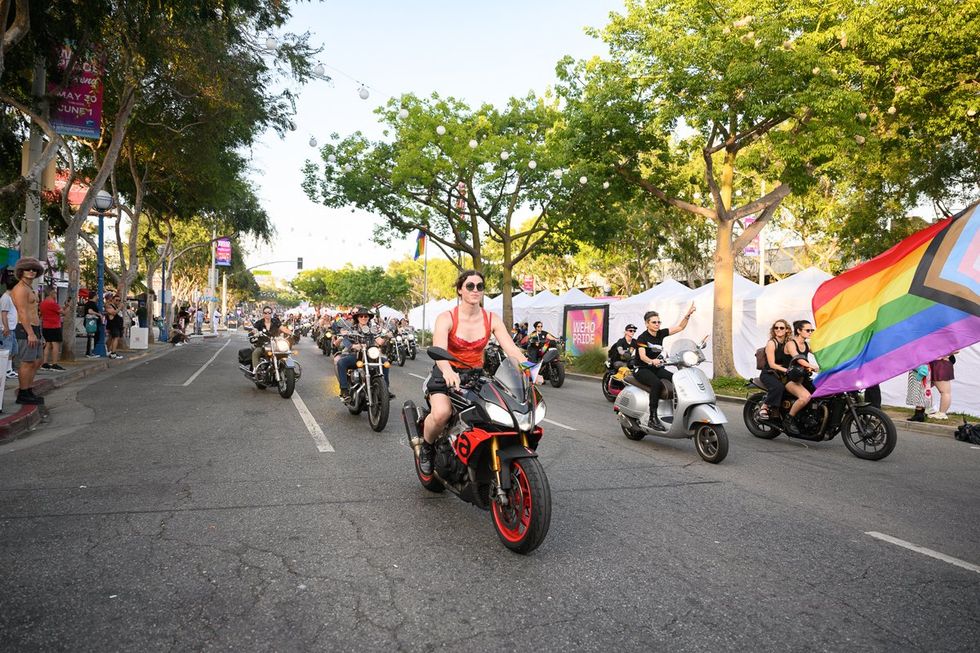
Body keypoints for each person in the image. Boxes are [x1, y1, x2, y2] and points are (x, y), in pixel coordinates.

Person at [418, 270, 528, 474]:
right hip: (447, 372)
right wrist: (448, 370)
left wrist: (530, 370)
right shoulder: (447, 317)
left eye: (480, 286)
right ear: (460, 290)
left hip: (476, 374)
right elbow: (440, 350)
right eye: (470, 286)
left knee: (496, 412)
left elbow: (511, 349)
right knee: (442, 413)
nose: (475, 290)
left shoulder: (491, 319)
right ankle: (426, 447)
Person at [634, 304, 701, 431]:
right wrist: (651, 361)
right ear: (647, 324)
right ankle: (652, 418)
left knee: (677, 378)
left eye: (659, 322)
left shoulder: (661, 333)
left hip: (656, 367)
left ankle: (681, 409)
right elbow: (642, 356)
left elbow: (680, 327)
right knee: (656, 384)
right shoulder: (642, 338)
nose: (657, 324)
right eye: (654, 322)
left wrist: (688, 315)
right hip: (642, 368)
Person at [334, 306, 393, 399]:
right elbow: (345, 340)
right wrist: (353, 346)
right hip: (357, 355)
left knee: (385, 361)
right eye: (361, 316)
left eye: (366, 316)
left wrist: (386, 337)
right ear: (357, 318)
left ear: (369, 318)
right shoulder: (352, 328)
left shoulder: (373, 329)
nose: (363, 318)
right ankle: (344, 389)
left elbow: (379, 341)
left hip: (371, 355)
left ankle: (385, 390)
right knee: (341, 362)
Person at [11, 258, 45, 405]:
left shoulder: (30, 288)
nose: (31, 271)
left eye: (34, 269)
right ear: (21, 271)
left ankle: (29, 389)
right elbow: (23, 312)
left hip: (35, 329)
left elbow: (34, 312)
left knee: (37, 361)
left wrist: (38, 333)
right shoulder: (20, 289)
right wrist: (30, 333)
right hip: (25, 329)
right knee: (27, 362)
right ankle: (23, 393)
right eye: (27, 269)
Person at [781, 320, 818, 433]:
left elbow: (820, 353)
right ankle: (789, 419)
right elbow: (798, 358)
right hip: (790, 379)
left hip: (803, 378)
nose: (810, 332)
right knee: (805, 397)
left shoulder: (806, 344)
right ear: (799, 331)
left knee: (821, 393)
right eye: (808, 330)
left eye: (812, 330)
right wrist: (813, 366)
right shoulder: (791, 344)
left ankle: (809, 417)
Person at [758, 320, 792, 426]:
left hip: (783, 373)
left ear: (787, 330)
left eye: (781, 328)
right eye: (776, 328)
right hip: (769, 373)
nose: (778, 330)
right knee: (778, 387)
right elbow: (772, 364)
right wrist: (786, 370)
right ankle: (765, 407)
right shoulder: (772, 343)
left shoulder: (789, 343)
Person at [250, 306, 292, 372]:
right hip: (263, 345)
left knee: (286, 352)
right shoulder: (259, 323)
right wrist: (256, 332)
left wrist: (291, 332)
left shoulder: (275, 321)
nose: (267, 314)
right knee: (256, 352)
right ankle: (256, 370)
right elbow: (254, 329)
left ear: (271, 313)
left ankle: (291, 371)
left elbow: (282, 328)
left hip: (275, 344)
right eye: (265, 313)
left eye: (269, 313)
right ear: (263, 314)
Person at [39, 287, 66, 370]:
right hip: (54, 326)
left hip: (46, 325)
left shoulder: (42, 303)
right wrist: (68, 308)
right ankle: (54, 363)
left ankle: (45, 363)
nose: (55, 294)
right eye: (54, 292)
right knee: (55, 345)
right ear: (51, 293)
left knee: (48, 344)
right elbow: (63, 312)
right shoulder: (53, 303)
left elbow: (53, 313)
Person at [929, 352, 957, 420]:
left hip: (940, 365)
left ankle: (942, 413)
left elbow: (957, 349)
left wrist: (943, 354)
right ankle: (930, 409)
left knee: (945, 392)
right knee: (926, 388)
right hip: (938, 364)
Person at [1, 276, 19, 380]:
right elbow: (4, 314)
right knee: (7, 351)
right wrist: (6, 327)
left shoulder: (10, 297)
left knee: (13, 350)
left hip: (12, 328)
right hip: (6, 329)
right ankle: (6, 370)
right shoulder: (5, 298)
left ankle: (9, 370)